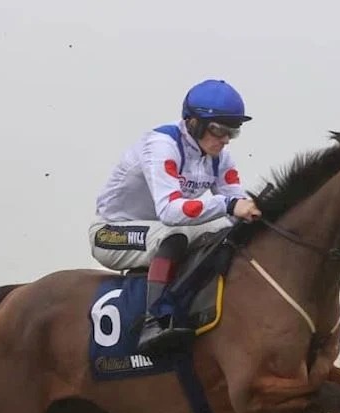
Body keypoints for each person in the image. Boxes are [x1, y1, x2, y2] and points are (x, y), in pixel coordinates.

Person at [90, 79, 263, 356]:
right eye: (219, 129)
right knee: (175, 235)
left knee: (226, 232)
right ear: (193, 122)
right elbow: (170, 212)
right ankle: (154, 321)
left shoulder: (220, 157)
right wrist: (230, 205)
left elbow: (236, 208)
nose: (225, 139)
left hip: (155, 231)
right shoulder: (161, 145)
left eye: (233, 131)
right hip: (111, 233)